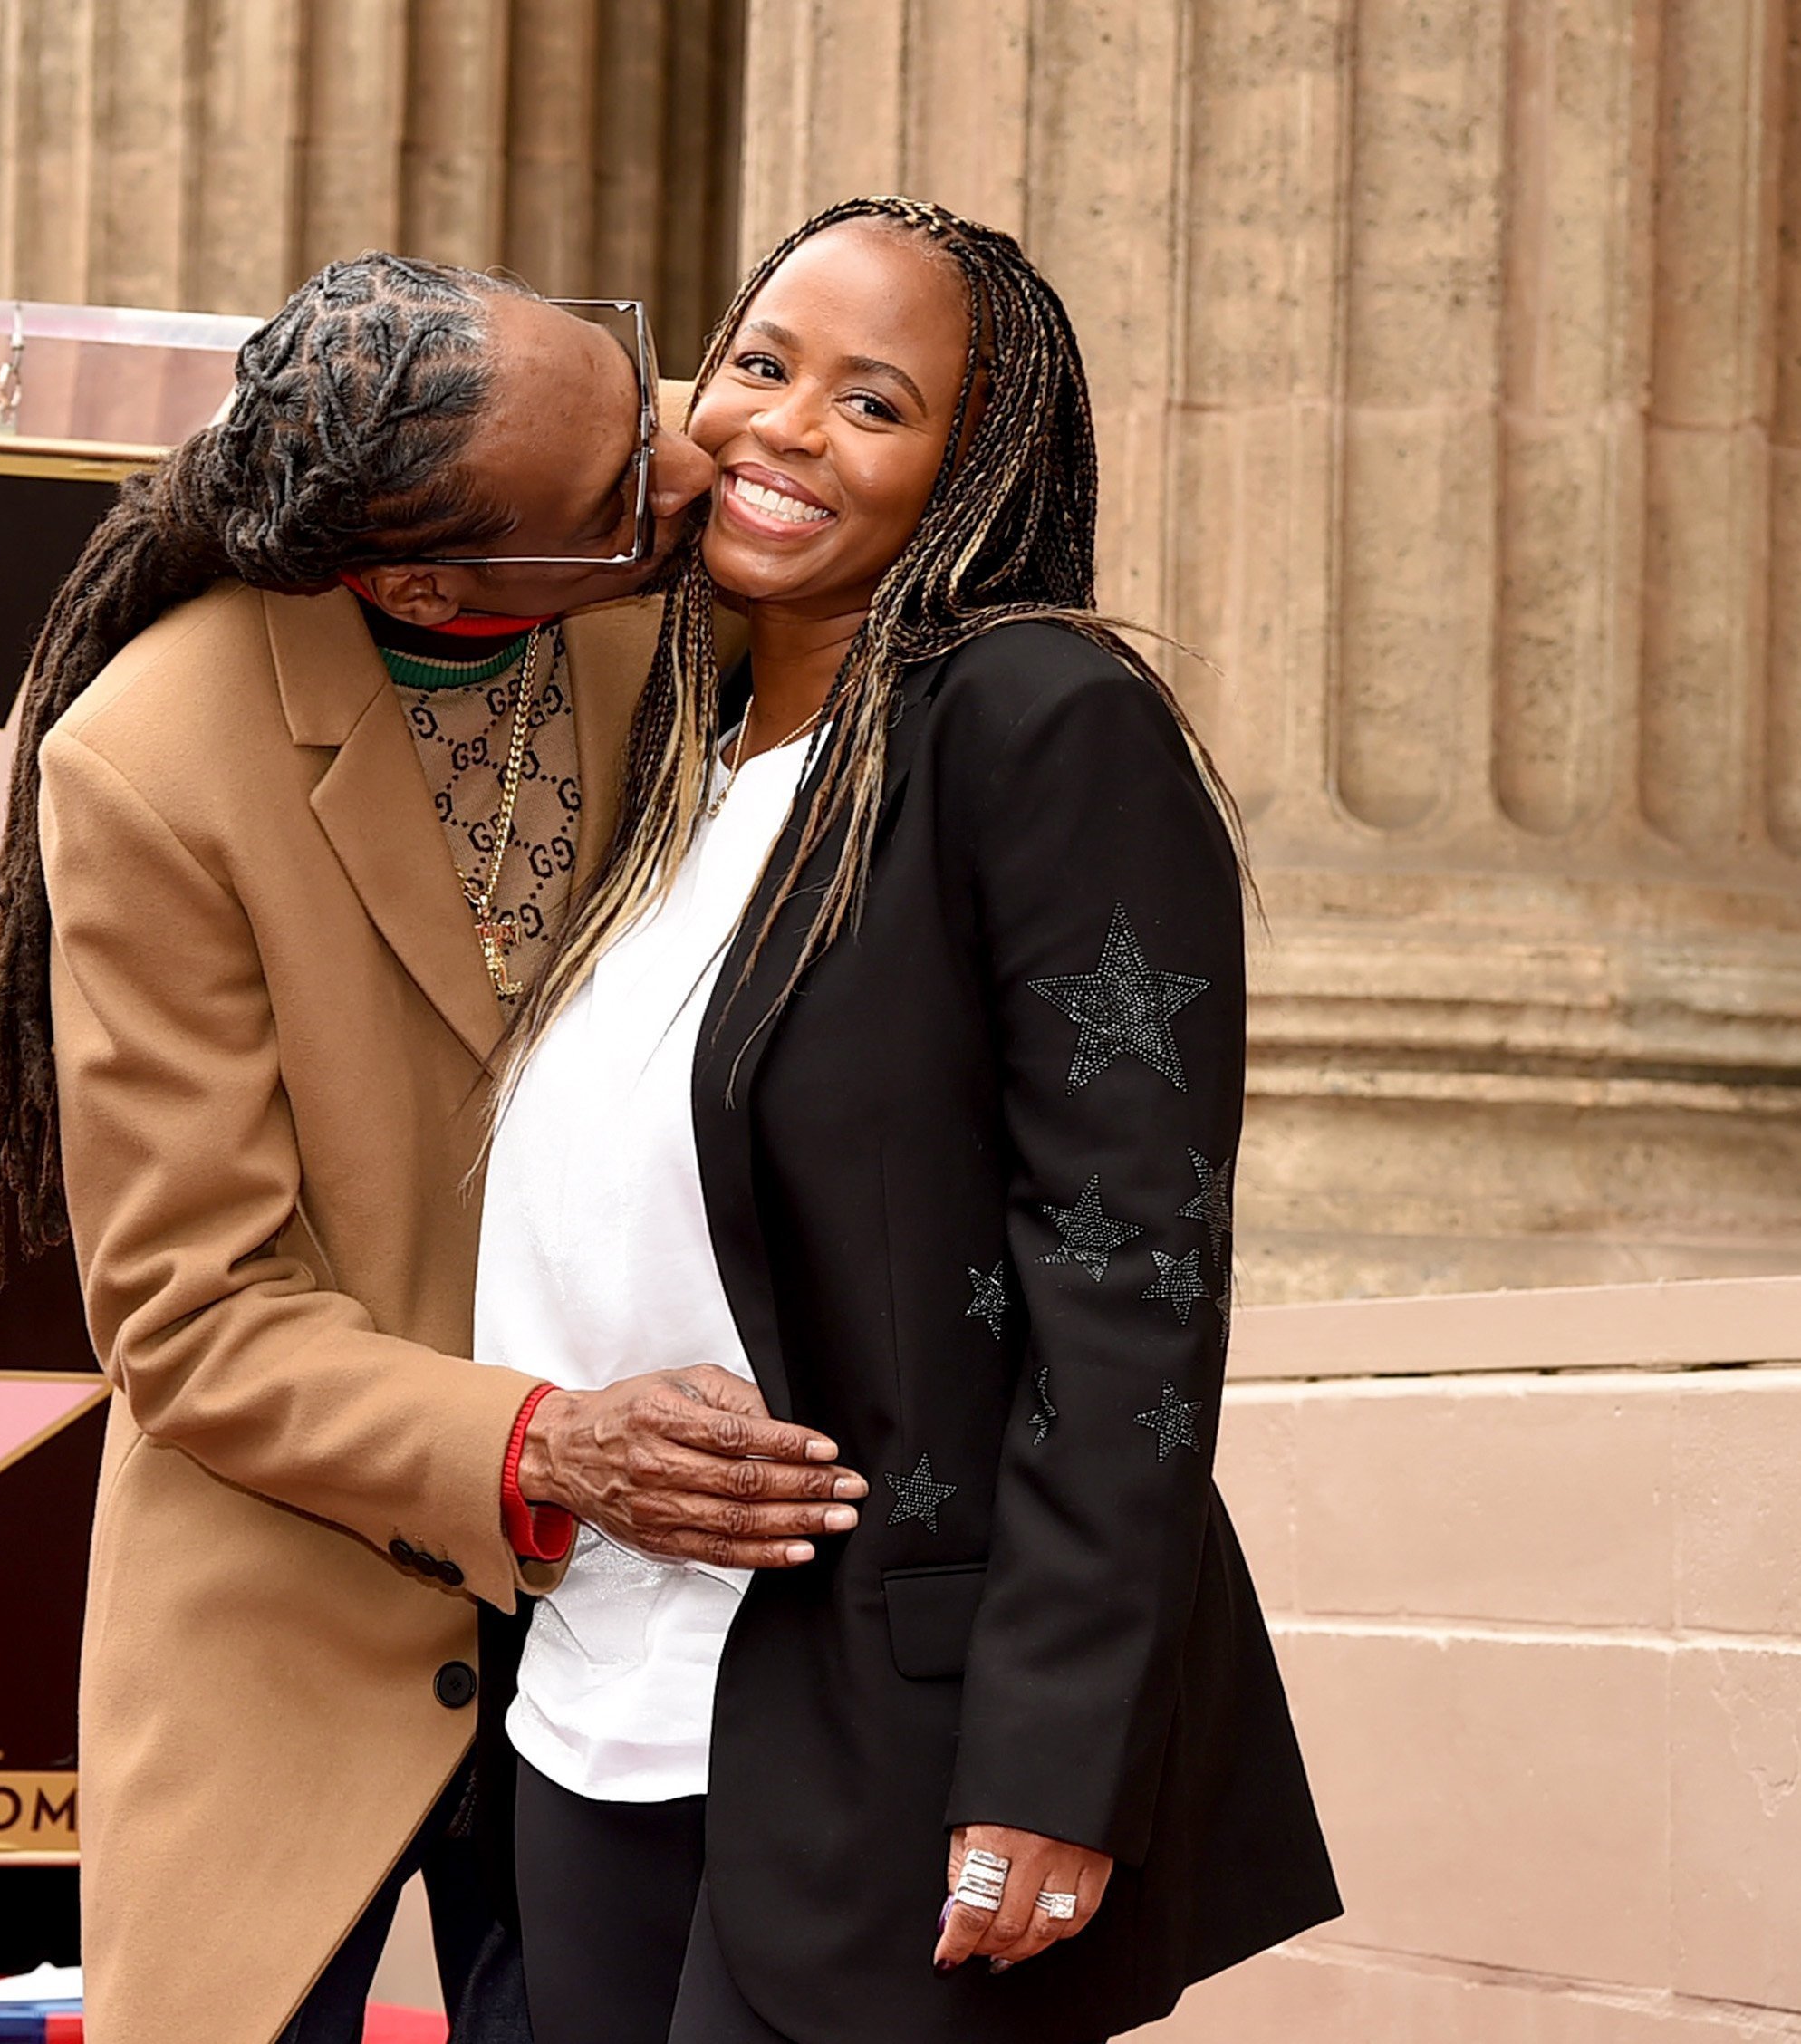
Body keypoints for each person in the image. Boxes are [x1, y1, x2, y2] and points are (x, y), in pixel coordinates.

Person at [0, 254, 872, 2044]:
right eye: (630, 479)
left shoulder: (670, 544)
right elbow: (192, 1321)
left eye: (646, 381)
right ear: (431, 579)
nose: (694, 456)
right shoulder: (147, 763)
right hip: (295, 1622)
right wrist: (550, 1447)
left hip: (654, 1629)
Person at [480, 197, 1342, 2044]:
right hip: (595, 1697)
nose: (786, 426)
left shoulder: (1034, 721)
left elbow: (1131, 1277)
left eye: (876, 404)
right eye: (765, 365)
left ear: (975, 468)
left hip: (887, 1713)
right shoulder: (664, 750)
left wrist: (1053, 1753)